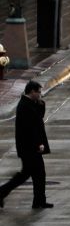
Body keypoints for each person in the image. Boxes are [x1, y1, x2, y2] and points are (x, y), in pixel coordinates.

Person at [0, 81, 52, 209]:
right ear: (32, 91)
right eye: (39, 92)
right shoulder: (24, 106)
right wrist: (38, 144)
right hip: (29, 148)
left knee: (30, 174)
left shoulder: (31, 104)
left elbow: (39, 118)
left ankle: (38, 201)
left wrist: (40, 103)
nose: (41, 94)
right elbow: (30, 129)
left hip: (29, 148)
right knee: (36, 173)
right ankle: (38, 201)